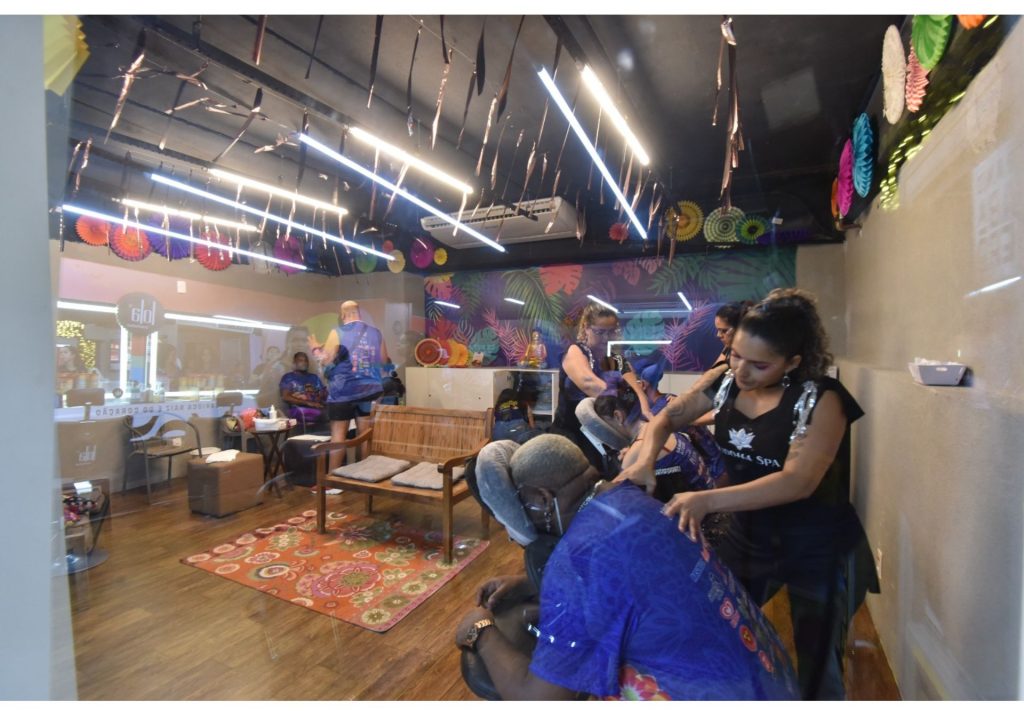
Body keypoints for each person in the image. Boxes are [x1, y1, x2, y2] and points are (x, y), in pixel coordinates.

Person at [616, 288, 879, 700]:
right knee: (714, 628)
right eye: (736, 355)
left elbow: (798, 481)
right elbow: (665, 418)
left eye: (759, 365)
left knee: (818, 670)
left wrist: (707, 500)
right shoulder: (726, 383)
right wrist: (645, 460)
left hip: (817, 547)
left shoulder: (821, 398)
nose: (742, 371)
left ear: (793, 362)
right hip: (749, 536)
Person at [455, 434, 798, 701]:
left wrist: (479, 630)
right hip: (768, 678)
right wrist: (531, 584)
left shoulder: (577, 558)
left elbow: (538, 698)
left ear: (543, 498)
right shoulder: (639, 501)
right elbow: (628, 583)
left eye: (524, 504)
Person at [551, 302, 651, 471]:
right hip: (571, 434)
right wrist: (627, 405)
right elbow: (589, 383)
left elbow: (636, 388)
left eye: (611, 331)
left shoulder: (615, 358)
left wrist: (645, 411)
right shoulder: (576, 351)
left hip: (604, 434)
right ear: (586, 328)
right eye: (600, 332)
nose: (606, 338)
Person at [310, 301, 389, 465]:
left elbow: (326, 360)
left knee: (339, 435)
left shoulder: (337, 332)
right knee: (365, 435)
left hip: (343, 391)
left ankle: (333, 477)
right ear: (359, 313)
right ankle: (365, 475)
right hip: (370, 390)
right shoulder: (376, 333)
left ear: (342, 315)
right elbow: (383, 361)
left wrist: (316, 349)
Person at [279, 351, 327, 431]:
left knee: (334, 412)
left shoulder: (314, 377)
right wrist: (308, 403)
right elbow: (285, 397)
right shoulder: (288, 377)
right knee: (322, 414)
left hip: (317, 407)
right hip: (298, 409)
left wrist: (322, 396)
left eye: (306, 360)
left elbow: (322, 393)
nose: (304, 363)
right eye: (300, 360)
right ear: (295, 363)